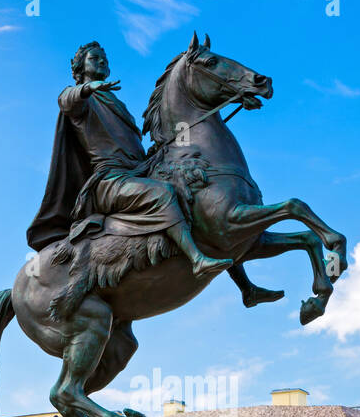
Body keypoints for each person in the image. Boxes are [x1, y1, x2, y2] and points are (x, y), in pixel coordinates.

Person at [27, 42, 234, 278]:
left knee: (197, 195)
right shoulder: (83, 101)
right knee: (162, 193)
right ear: (80, 68)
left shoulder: (117, 103)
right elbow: (66, 99)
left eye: (105, 58)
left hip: (136, 172)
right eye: (95, 58)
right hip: (109, 182)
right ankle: (196, 260)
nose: (103, 61)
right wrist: (87, 88)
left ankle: (246, 287)